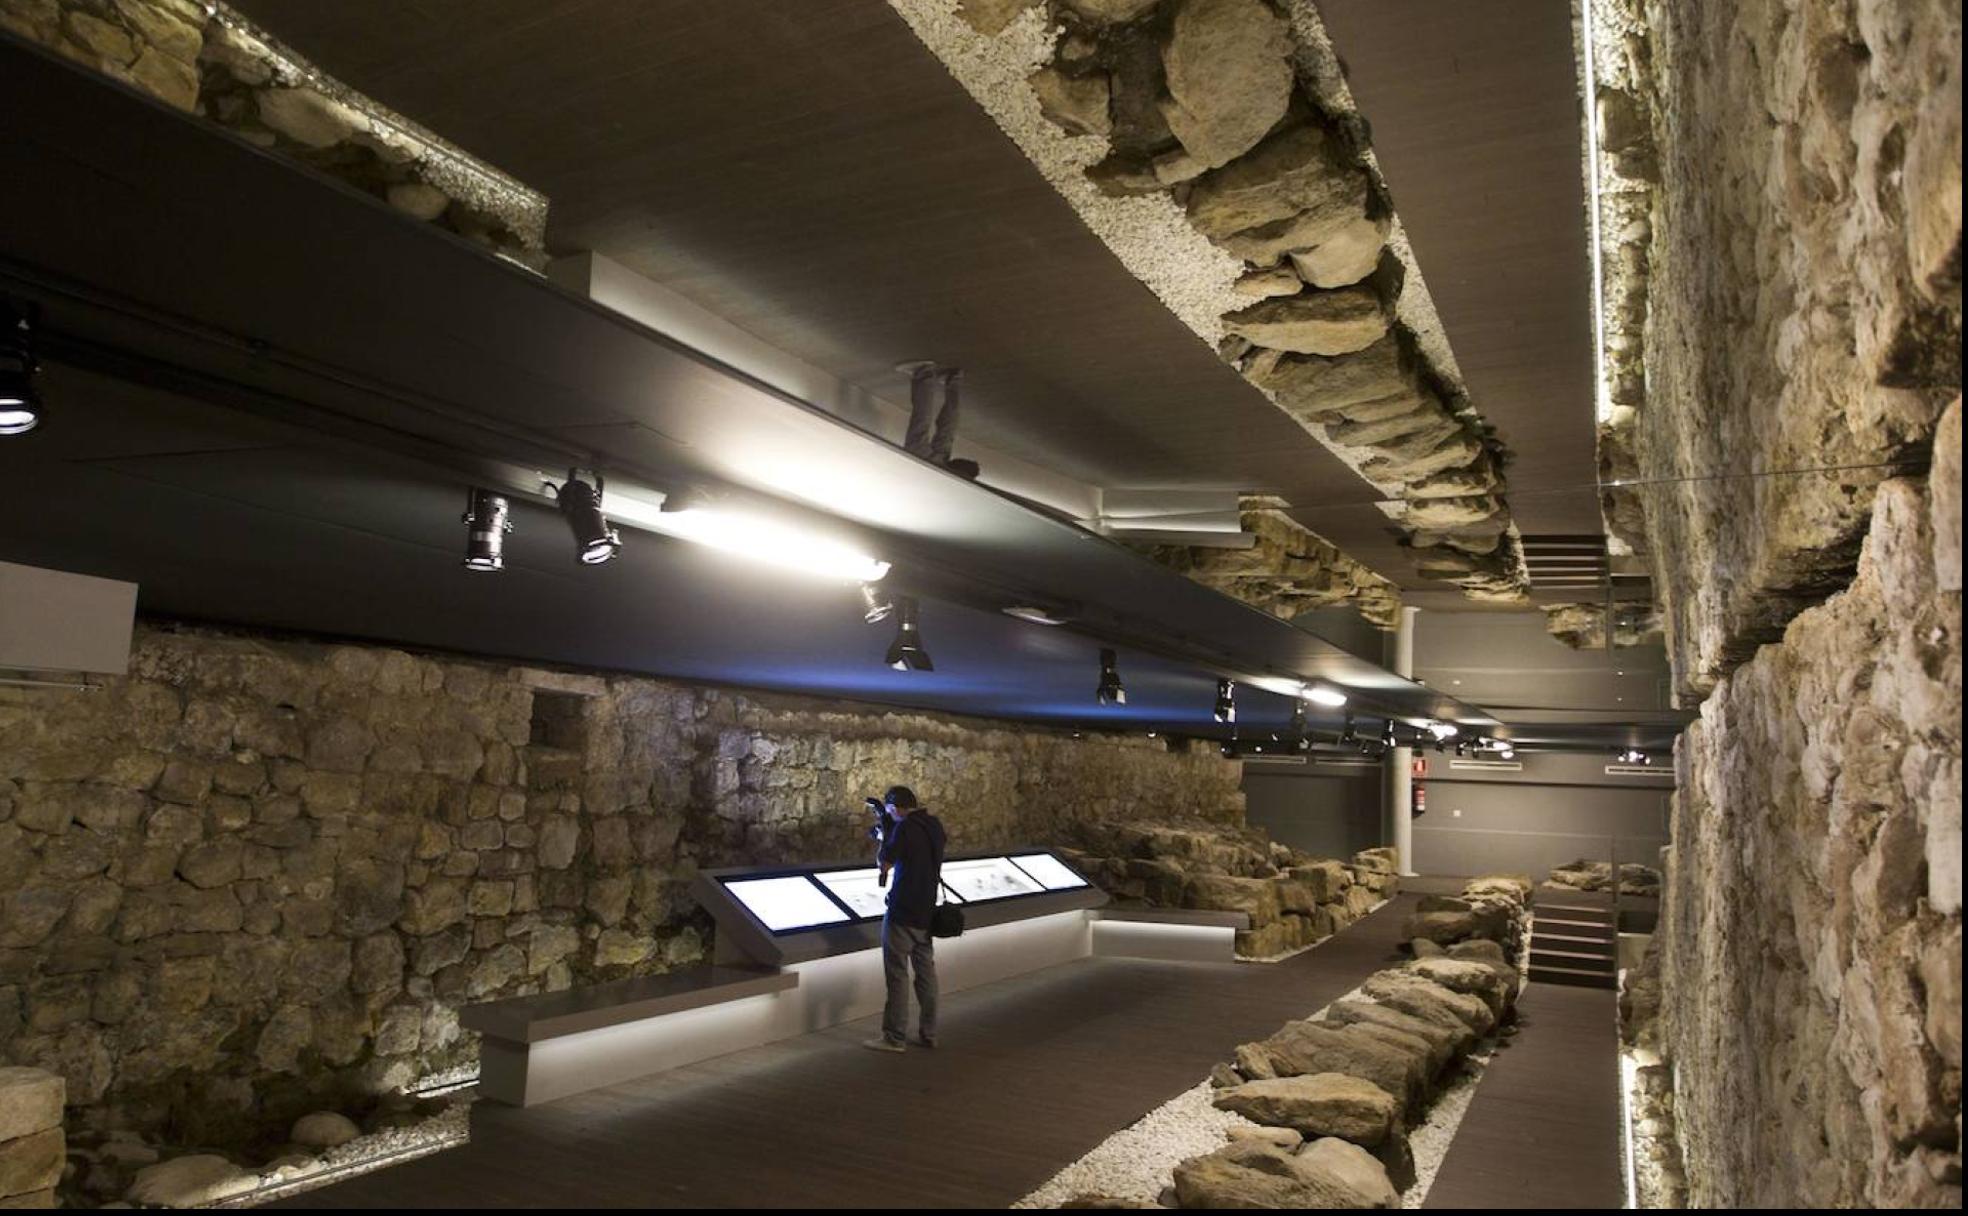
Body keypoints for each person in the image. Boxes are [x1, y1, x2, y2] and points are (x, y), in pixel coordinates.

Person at [863, 784, 946, 1053]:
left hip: (902, 912)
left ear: (895, 808)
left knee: (897, 975)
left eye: (889, 810)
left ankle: (894, 1037)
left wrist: (884, 836)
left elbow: (884, 863)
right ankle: (930, 1033)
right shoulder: (933, 825)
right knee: (926, 975)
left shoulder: (905, 828)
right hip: (926, 912)